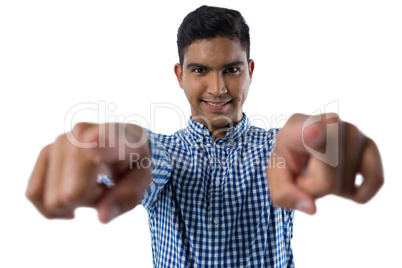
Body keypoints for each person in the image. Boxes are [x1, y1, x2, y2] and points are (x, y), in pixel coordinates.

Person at [25, 5, 384, 267]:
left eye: (231, 69)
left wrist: (324, 142)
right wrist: (101, 154)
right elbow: (142, 154)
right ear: (180, 75)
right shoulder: (165, 153)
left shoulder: (279, 150)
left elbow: (302, 148)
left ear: (250, 71)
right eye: (200, 70)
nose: (217, 88)